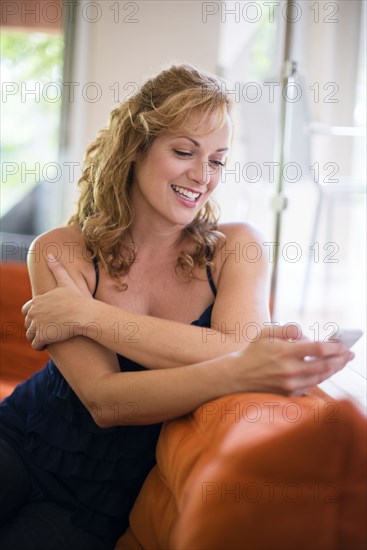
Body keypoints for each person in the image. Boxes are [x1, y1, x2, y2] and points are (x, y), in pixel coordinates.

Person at [0, 64, 352, 550]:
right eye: (185, 152)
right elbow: (101, 395)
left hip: (94, 502)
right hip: (19, 440)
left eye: (218, 161)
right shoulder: (62, 250)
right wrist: (232, 359)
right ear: (136, 148)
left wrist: (88, 315)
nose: (202, 176)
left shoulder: (234, 249)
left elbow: (235, 351)